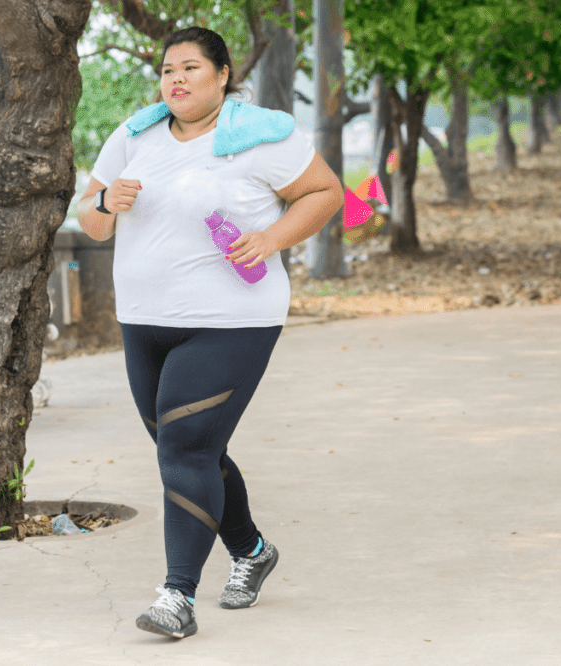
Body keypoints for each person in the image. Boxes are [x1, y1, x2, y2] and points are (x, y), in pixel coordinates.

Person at [76, 26, 343, 639]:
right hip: (144, 319)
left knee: (186, 447)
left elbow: (326, 192)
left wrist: (271, 239)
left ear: (223, 75)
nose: (176, 79)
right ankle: (251, 552)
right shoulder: (135, 135)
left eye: (191, 67)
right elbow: (89, 222)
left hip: (232, 321)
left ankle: (177, 596)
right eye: (168, 69)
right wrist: (105, 203)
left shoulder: (261, 136)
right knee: (188, 449)